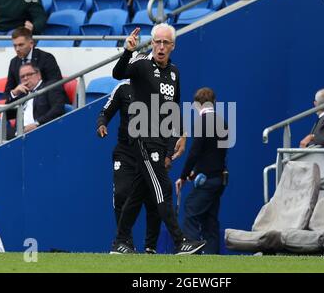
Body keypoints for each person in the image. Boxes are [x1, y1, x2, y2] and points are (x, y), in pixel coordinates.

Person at [110, 23, 206, 255]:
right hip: (143, 135)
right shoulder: (141, 63)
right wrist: (127, 51)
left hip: (161, 138)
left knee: (139, 192)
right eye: (157, 42)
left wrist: (181, 134)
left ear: (173, 46)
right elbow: (118, 74)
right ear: (152, 43)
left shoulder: (174, 72)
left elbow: (173, 108)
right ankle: (179, 241)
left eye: (166, 43)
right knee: (162, 188)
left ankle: (120, 242)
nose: (161, 47)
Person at [97, 78, 164, 254]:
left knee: (154, 199)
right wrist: (102, 123)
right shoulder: (123, 88)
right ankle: (124, 242)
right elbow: (106, 110)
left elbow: (168, 120)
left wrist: (167, 153)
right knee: (121, 194)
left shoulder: (158, 87)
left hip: (149, 150)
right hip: (125, 152)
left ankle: (151, 246)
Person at [175, 87, 228, 254]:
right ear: (214, 102)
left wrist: (183, 176)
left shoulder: (202, 122)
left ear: (197, 105)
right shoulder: (223, 122)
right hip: (219, 178)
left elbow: (195, 152)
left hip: (207, 180)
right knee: (210, 220)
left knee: (191, 208)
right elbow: (214, 153)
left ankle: (191, 249)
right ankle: (211, 257)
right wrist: (195, 173)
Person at [0, 63, 66, 151]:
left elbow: (58, 109)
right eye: (22, 77)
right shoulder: (22, 92)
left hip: (39, 129)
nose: (25, 78)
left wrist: (37, 123)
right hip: (19, 131)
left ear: (38, 75)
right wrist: (14, 93)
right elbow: (8, 114)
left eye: (29, 74)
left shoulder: (49, 87)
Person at [5, 27, 64, 101]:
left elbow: (56, 85)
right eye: (15, 46)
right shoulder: (14, 62)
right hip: (22, 106)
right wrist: (15, 92)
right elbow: (7, 92)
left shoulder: (46, 58)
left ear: (31, 43)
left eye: (21, 45)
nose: (17, 49)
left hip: (45, 102)